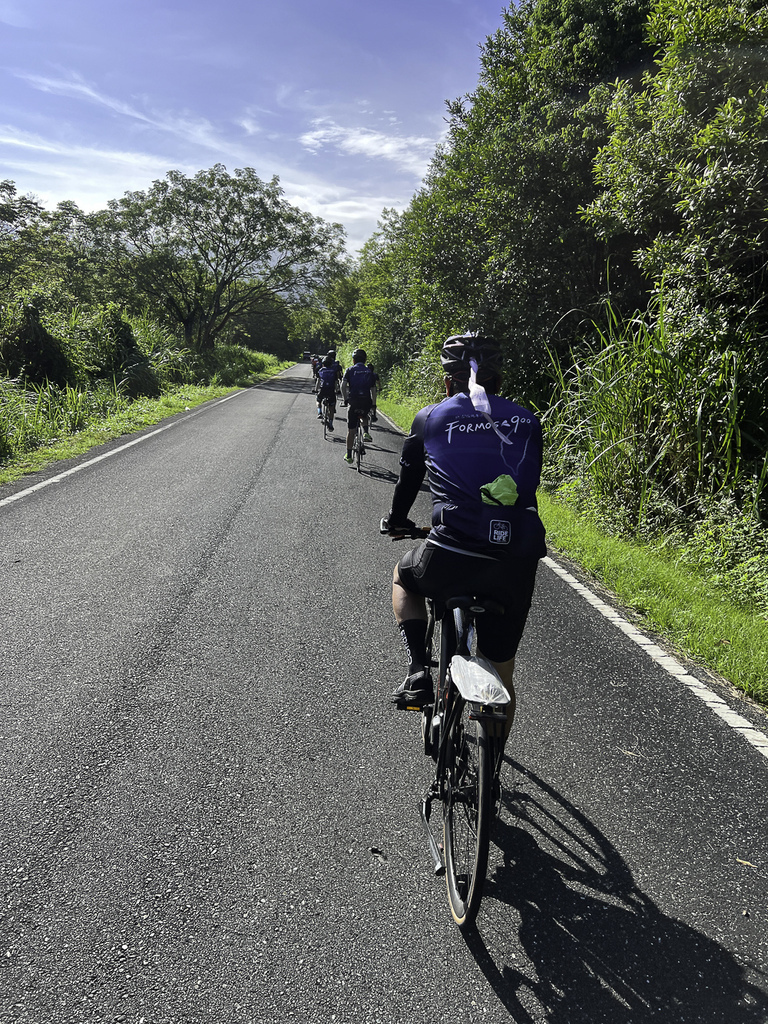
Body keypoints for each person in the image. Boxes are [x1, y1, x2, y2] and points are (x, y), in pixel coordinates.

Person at [381, 333, 546, 740]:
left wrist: (397, 521)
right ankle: (490, 780)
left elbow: (408, 481)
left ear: (448, 381)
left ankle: (419, 667)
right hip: (515, 560)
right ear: (500, 380)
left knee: (404, 577)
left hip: (450, 553)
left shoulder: (430, 417)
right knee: (503, 679)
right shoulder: (527, 420)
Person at [341, 348, 377, 464]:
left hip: (354, 401)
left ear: (353, 360)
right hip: (366, 400)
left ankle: (349, 455)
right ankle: (366, 431)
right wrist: (373, 404)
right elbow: (373, 390)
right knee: (364, 415)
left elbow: (343, 386)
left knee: (351, 430)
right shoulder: (369, 372)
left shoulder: (350, 370)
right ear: (365, 360)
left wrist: (346, 399)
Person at [315, 353, 341, 430]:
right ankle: (330, 423)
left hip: (323, 389)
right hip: (331, 390)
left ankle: (319, 412)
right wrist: (337, 390)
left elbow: (318, 381)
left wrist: (316, 390)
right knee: (331, 407)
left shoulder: (321, 370)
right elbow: (336, 382)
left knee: (318, 400)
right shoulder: (333, 371)